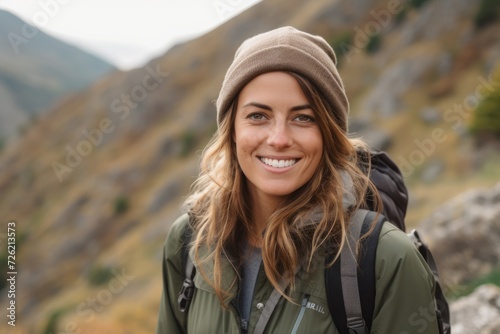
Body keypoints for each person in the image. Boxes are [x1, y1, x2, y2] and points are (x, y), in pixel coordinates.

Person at [156, 26, 440, 333]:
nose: (279, 139)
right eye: (258, 116)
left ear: (329, 134)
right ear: (232, 129)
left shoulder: (388, 261)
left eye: (303, 118)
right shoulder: (189, 241)